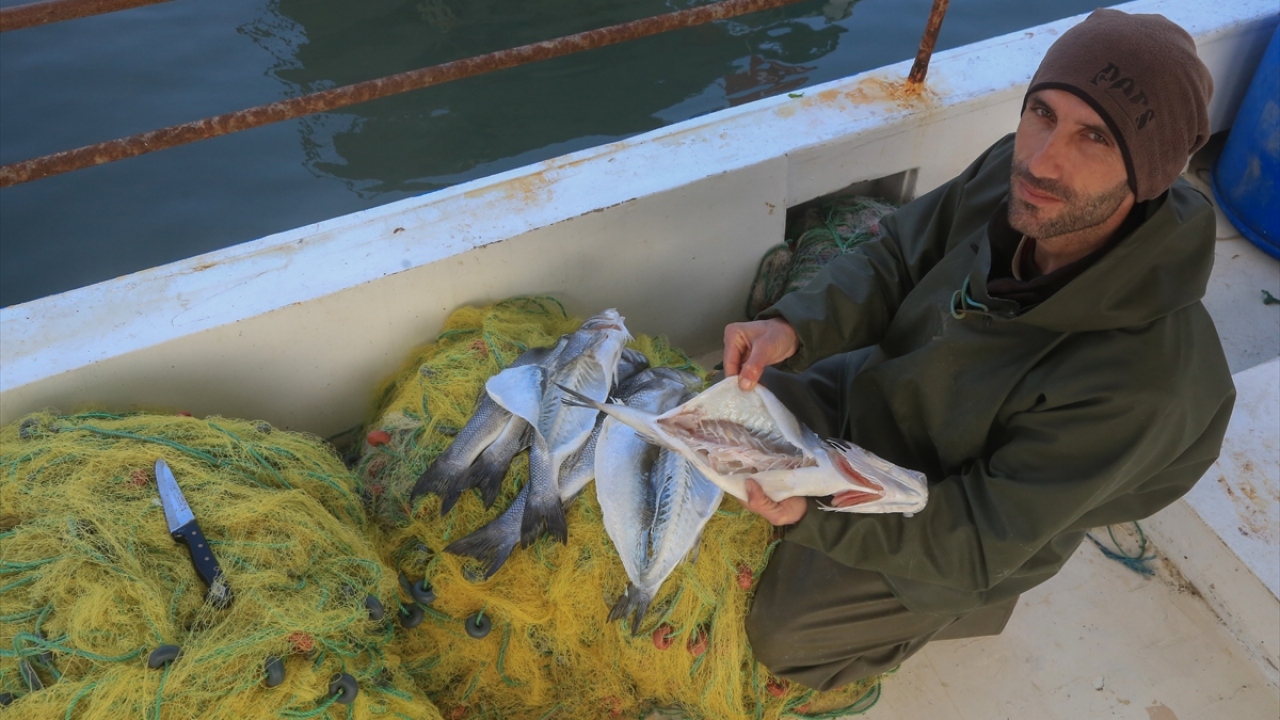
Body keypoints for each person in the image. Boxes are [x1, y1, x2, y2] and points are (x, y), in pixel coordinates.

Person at [721, 8, 1235, 691]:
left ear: (1148, 175)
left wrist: (814, 513)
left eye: (1095, 138)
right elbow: (901, 253)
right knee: (718, 411)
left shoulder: (1145, 384)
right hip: (886, 398)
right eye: (1042, 112)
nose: (1043, 159)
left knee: (784, 634)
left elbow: (979, 531)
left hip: (972, 509)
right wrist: (792, 326)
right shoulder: (1015, 173)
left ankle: (952, 614)